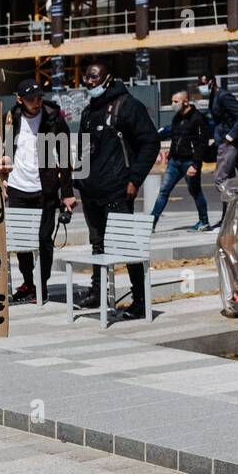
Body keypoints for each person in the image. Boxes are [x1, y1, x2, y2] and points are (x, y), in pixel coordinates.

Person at [74, 61, 159, 320]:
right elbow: (84, 149)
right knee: (97, 245)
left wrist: (134, 179)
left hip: (117, 192)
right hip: (92, 193)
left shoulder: (127, 106)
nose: (89, 81)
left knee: (127, 247)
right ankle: (98, 291)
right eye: (87, 77)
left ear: (108, 78)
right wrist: (79, 181)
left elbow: (150, 143)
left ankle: (140, 300)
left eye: (94, 77)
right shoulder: (90, 111)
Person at [0, 77, 76, 303]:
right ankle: (28, 284)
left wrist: (67, 193)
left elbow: (64, 158)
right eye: (31, 98)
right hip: (18, 189)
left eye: (40, 97)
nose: (37, 102)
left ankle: (42, 285)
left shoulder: (53, 119)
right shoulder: (11, 120)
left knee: (44, 240)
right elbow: (2, 151)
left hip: (45, 189)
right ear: (20, 99)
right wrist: (2, 179)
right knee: (21, 242)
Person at [152, 90, 211, 232]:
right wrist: (170, 156)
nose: (172, 104)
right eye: (172, 101)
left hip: (189, 162)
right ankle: (151, 222)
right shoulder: (177, 118)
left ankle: (204, 221)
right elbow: (174, 137)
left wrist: (195, 165)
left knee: (195, 192)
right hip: (174, 162)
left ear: (185, 102)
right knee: (164, 191)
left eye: (175, 101)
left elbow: (202, 144)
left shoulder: (198, 118)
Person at [199, 73, 238, 227]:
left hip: (230, 143)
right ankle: (227, 219)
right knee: (227, 181)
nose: (201, 86)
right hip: (222, 141)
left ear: (211, 82)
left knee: (221, 180)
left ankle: (233, 215)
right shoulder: (213, 97)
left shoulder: (223, 96)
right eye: (199, 83)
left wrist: (230, 136)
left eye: (203, 82)